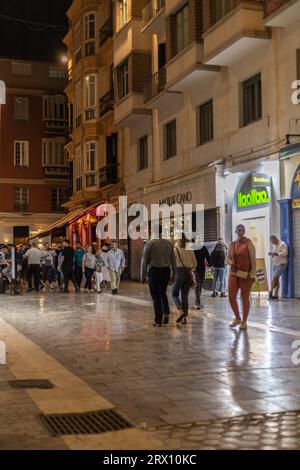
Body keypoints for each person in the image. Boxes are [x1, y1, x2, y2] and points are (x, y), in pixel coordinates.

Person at [141, 231, 177, 327]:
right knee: (162, 293)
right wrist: (174, 274)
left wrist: (143, 275)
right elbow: (174, 260)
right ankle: (166, 312)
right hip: (166, 271)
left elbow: (144, 261)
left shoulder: (150, 243)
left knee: (156, 296)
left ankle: (158, 320)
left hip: (154, 272)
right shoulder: (169, 243)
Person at [227, 225, 256, 331]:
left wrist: (252, 274)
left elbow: (253, 260)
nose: (241, 232)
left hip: (245, 275)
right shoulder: (232, 244)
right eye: (239, 230)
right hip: (233, 273)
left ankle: (244, 321)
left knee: (244, 298)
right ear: (236, 231)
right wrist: (231, 263)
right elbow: (228, 258)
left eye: (243, 230)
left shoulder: (249, 243)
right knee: (231, 297)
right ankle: (237, 318)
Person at [172, 237, 197, 325]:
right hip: (188, 273)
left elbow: (173, 263)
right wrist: (190, 270)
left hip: (179, 272)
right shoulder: (190, 250)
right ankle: (184, 318)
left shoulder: (175, 250)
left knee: (174, 294)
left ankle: (180, 311)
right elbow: (195, 264)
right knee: (184, 296)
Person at [193, 235, 211, 310]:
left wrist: (211, 265)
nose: (199, 240)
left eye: (200, 238)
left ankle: (197, 301)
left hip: (202, 269)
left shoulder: (204, 248)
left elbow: (208, 257)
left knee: (200, 285)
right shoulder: (192, 248)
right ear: (195, 240)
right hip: (194, 269)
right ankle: (197, 303)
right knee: (197, 285)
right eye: (197, 238)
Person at [269, 235, 288, 300]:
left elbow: (285, 253)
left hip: (281, 264)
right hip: (275, 264)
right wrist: (272, 254)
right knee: (276, 280)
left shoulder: (283, 244)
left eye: (272, 241)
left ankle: (270, 292)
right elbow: (275, 254)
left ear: (275, 239)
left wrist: (276, 254)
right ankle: (276, 295)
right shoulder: (275, 246)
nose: (272, 243)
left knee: (274, 278)